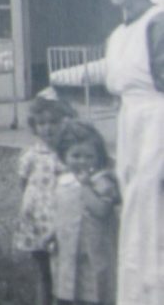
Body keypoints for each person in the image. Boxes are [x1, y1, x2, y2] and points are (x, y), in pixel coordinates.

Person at [100, 0, 164, 305]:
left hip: (158, 132)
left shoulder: (159, 24)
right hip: (132, 135)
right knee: (137, 228)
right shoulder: (118, 36)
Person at [15, 88, 78, 305]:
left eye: (54, 122)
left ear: (65, 122)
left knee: (64, 271)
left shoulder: (69, 154)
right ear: (34, 126)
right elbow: (23, 184)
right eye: (42, 123)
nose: (48, 128)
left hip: (61, 219)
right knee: (43, 272)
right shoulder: (31, 155)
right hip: (37, 221)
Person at [49, 119, 119, 305]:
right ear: (64, 156)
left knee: (93, 290)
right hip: (68, 248)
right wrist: (52, 232)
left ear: (98, 157)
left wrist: (86, 186)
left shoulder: (102, 182)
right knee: (67, 289)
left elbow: (101, 210)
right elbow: (58, 210)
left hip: (94, 249)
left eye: (89, 156)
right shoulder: (63, 180)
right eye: (76, 156)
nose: (82, 161)